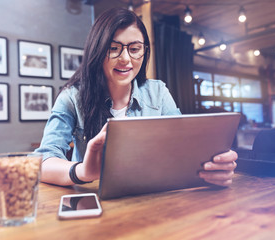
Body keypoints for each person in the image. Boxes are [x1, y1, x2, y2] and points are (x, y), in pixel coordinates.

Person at [35, 7, 238, 187]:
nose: (125, 59)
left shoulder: (158, 92)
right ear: (97, 51)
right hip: (95, 204)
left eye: (134, 49)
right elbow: (43, 161)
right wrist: (83, 171)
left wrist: (212, 165)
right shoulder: (71, 97)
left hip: (151, 200)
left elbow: (183, 150)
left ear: (144, 51)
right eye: (113, 48)